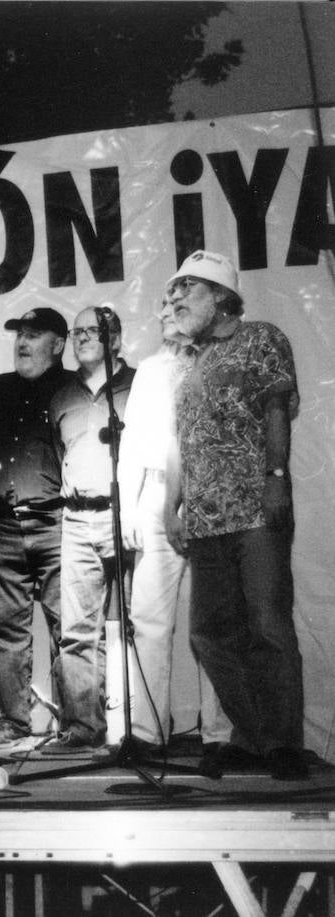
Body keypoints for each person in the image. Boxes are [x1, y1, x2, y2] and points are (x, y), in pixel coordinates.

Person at [167, 249, 307, 781]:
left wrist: (276, 478)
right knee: (208, 632)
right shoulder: (192, 361)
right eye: (173, 291)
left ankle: (284, 743)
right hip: (205, 520)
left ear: (221, 297)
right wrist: (176, 505)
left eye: (188, 290)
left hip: (253, 510)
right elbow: (187, 442)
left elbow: (276, 408)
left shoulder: (261, 338)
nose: (176, 299)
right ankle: (253, 736)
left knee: (268, 625)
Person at [118, 296, 233, 769]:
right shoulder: (149, 370)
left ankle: (221, 734)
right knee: (148, 616)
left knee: (217, 619)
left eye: (176, 306)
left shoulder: (218, 361)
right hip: (156, 492)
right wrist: (127, 507)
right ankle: (147, 732)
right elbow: (132, 442)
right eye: (162, 307)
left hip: (210, 493)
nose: (165, 314)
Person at [0, 307, 74, 749]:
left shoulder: (75, 389)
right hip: (5, 523)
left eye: (34, 334)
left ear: (58, 343)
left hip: (58, 522)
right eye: (19, 334)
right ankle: (14, 722)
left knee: (67, 627)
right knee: (5, 628)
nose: (22, 342)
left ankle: (74, 724)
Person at [41, 306, 134, 754]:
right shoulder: (62, 395)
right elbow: (62, 455)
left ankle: (143, 731)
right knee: (78, 629)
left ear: (114, 339)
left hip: (127, 515)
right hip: (76, 518)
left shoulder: (138, 386)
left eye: (90, 331)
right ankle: (83, 729)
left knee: (139, 625)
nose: (80, 338)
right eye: (75, 332)